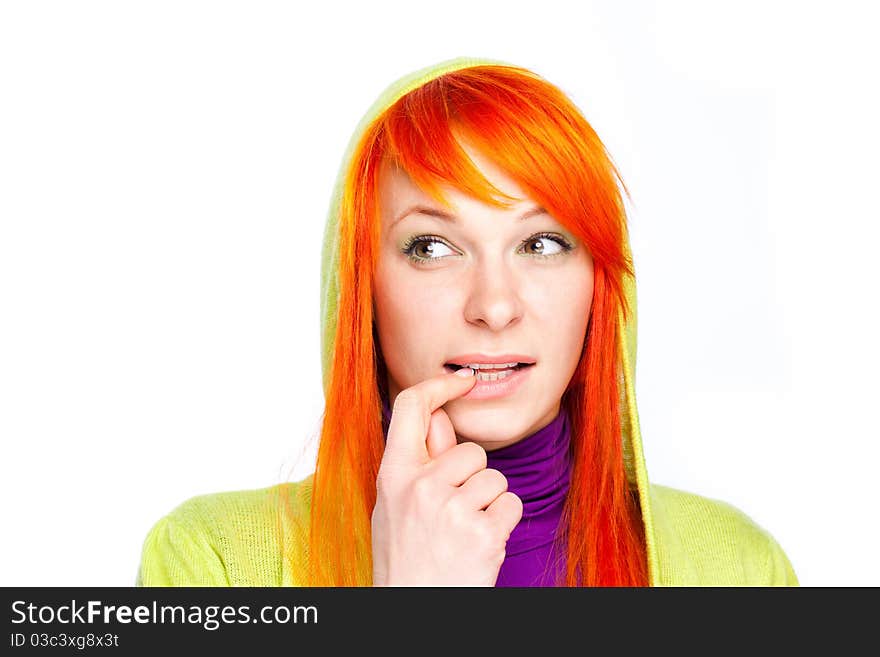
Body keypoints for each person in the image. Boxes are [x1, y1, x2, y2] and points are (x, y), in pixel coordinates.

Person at [137, 56, 798, 587]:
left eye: (541, 244)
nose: (495, 306)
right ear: (361, 284)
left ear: (599, 282)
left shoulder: (739, 570)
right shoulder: (213, 564)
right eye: (431, 246)